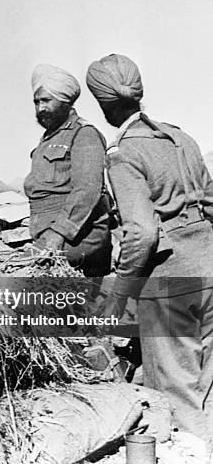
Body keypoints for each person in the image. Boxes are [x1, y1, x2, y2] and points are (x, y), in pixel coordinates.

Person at [87, 53, 213, 447]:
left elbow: (142, 233)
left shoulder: (124, 152)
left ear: (103, 103)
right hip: (208, 266)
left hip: (169, 281)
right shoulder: (182, 138)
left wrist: (120, 293)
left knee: (177, 404)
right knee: (207, 387)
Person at [24, 64, 112, 276]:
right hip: (48, 234)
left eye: (46, 101)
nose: (40, 109)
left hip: (79, 237)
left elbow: (87, 190)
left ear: (65, 102)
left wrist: (58, 233)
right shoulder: (48, 140)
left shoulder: (84, 134)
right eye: (37, 102)